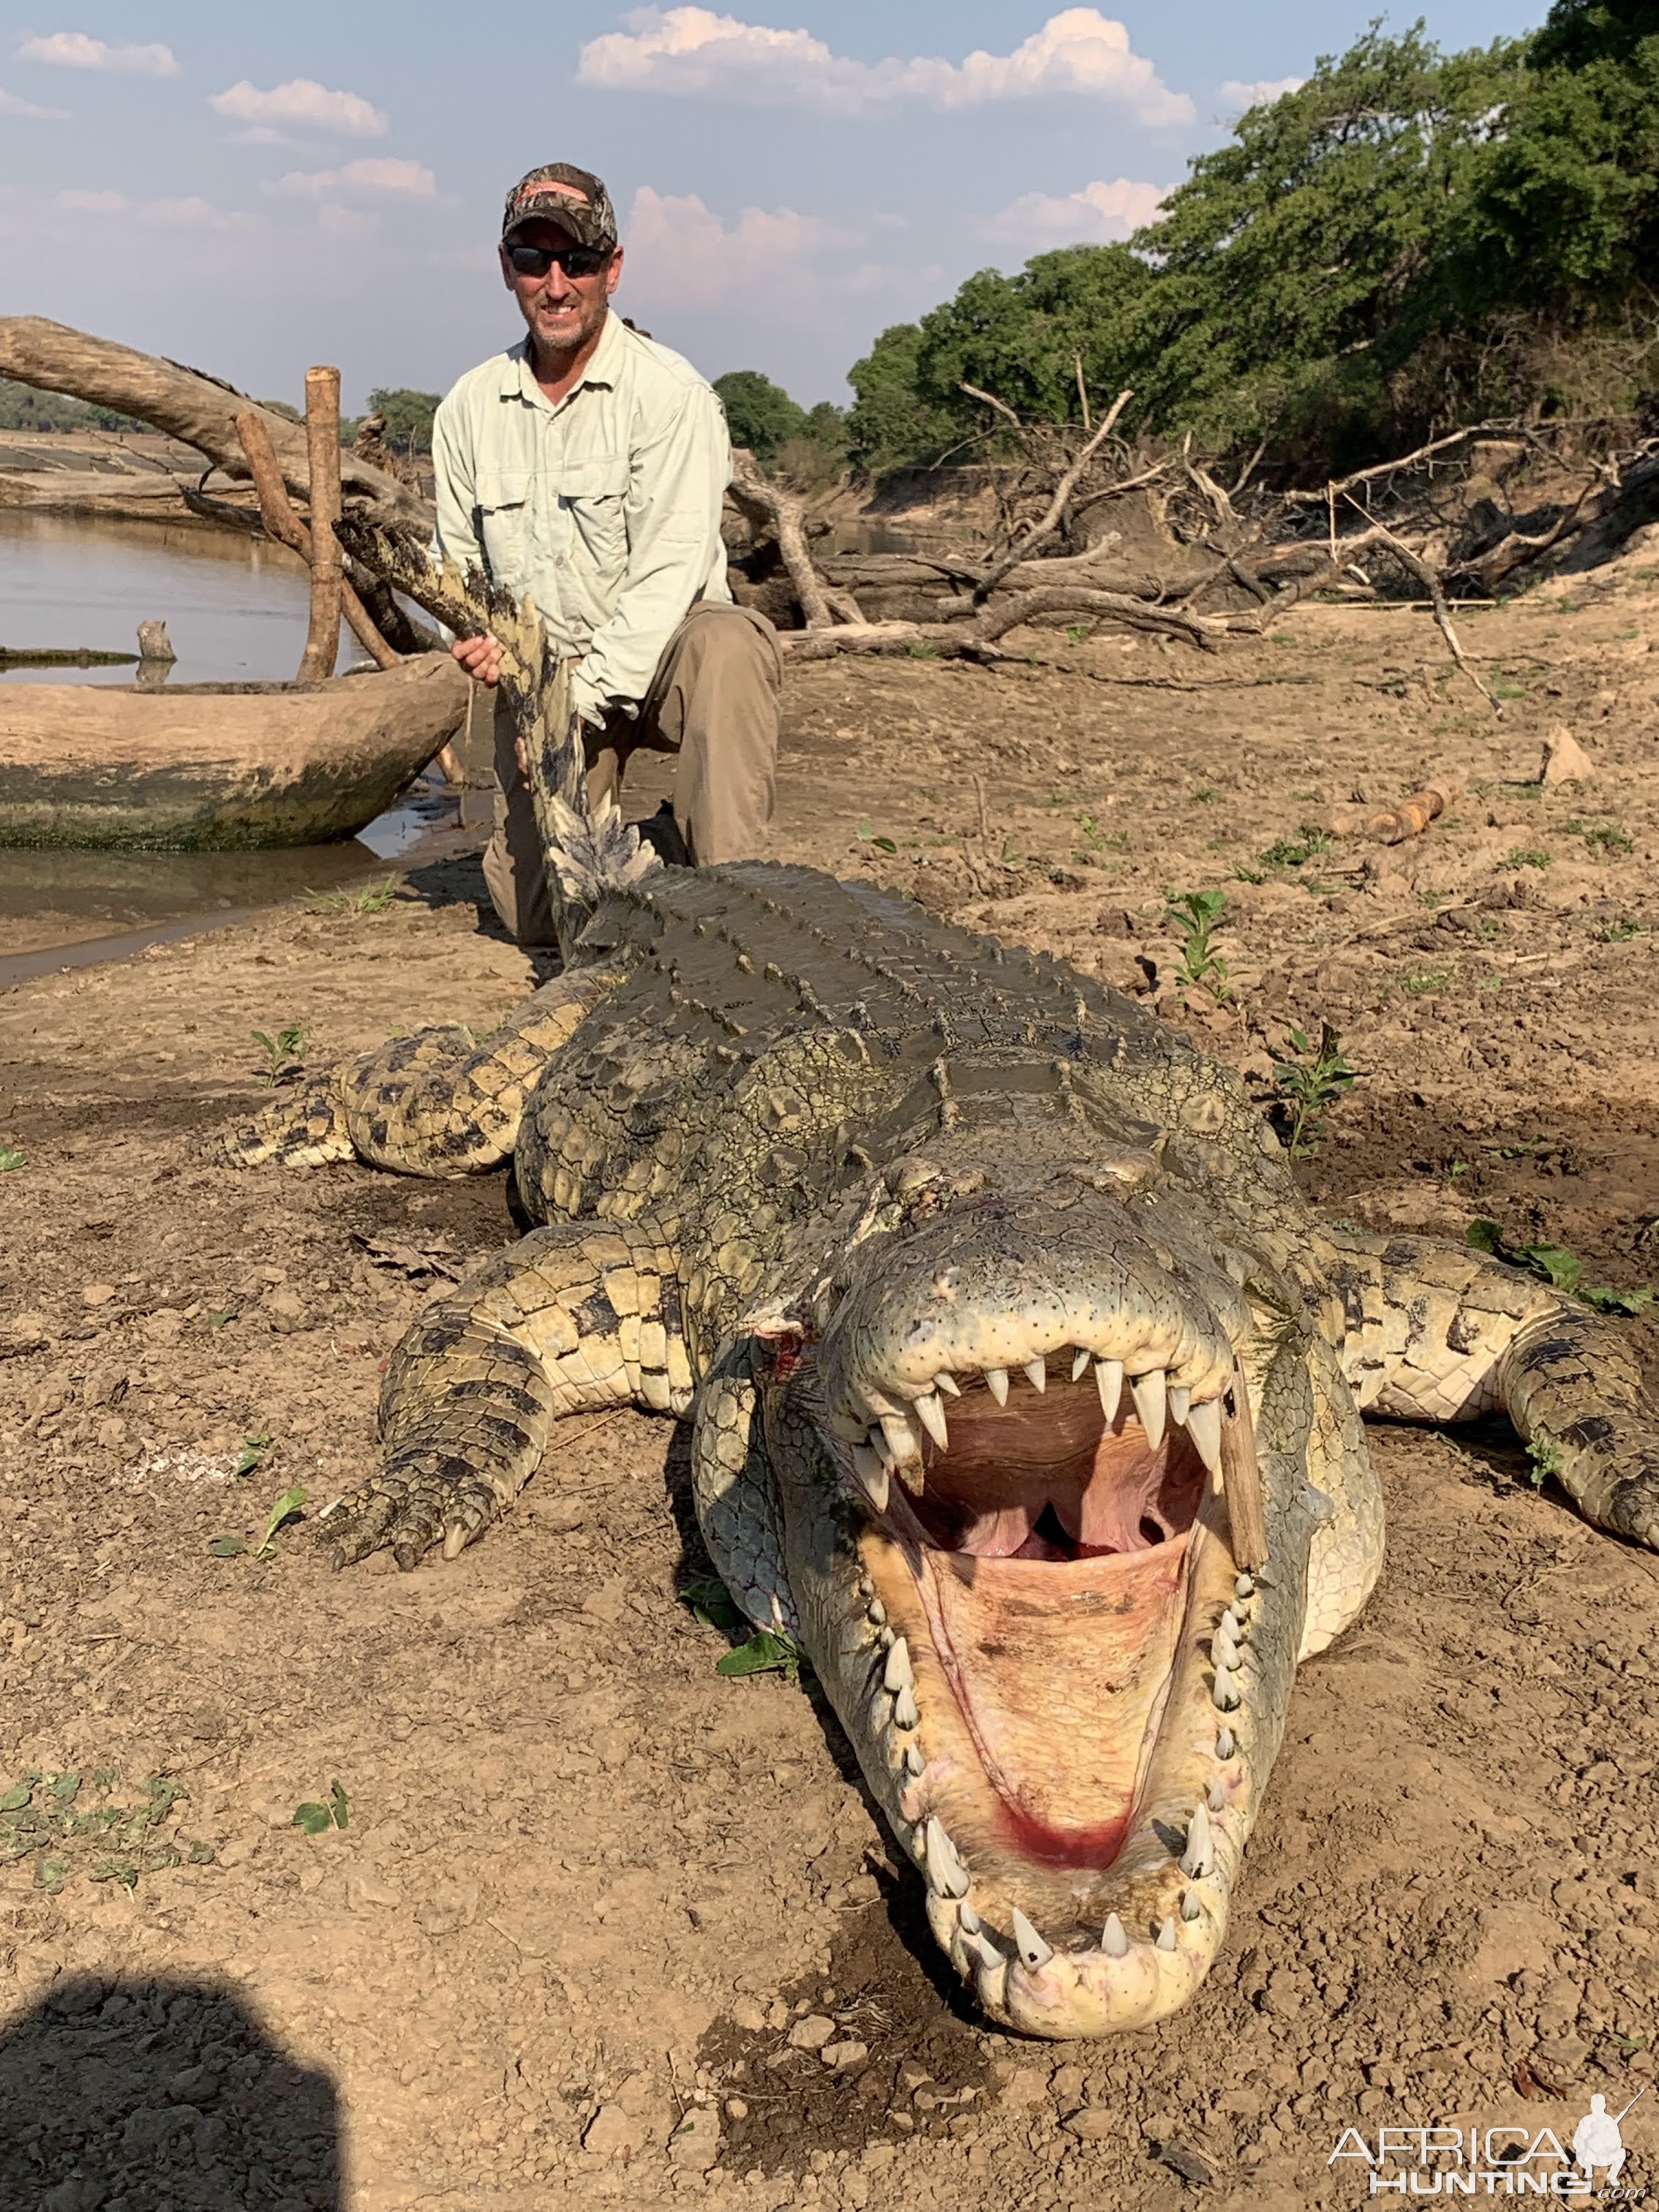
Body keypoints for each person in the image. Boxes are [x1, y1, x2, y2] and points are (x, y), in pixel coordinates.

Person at [432, 161, 781, 944]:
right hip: (545, 672)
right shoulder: (465, 409)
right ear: (506, 268)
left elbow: (667, 579)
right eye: (534, 260)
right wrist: (472, 638)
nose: (556, 284)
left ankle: (735, 903)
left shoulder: (674, 395)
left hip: (659, 664)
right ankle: (659, 847)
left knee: (729, 644)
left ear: (612, 269)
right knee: (539, 920)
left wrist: (575, 707)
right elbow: (457, 572)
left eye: (578, 261)